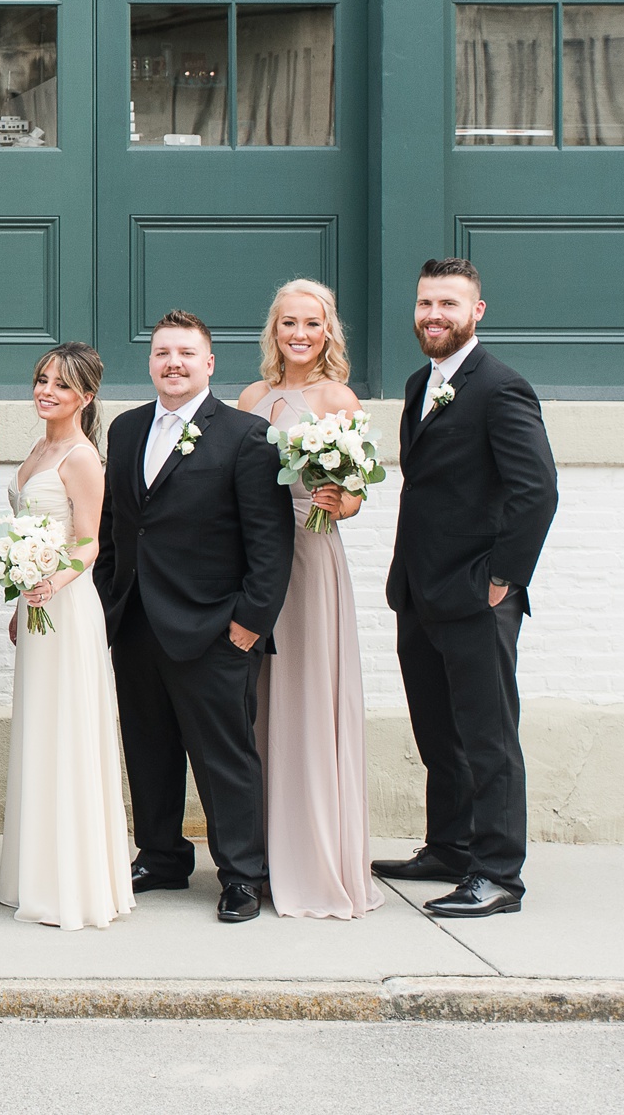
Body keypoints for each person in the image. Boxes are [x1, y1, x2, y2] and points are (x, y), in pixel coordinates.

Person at [375, 258, 559, 919]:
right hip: (420, 593)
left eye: (449, 303)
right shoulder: (419, 382)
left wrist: (503, 578)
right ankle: (450, 847)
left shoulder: (500, 386)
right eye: (426, 302)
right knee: (438, 734)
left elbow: (536, 488)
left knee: (488, 737)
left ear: (477, 310)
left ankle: (498, 872)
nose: (434, 314)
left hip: (476, 595)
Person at [99, 310, 295, 924]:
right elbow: (116, 530)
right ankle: (161, 856)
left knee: (224, 758)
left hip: (215, 629)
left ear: (209, 364)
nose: (173, 364)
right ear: (150, 362)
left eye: (186, 354)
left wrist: (248, 625)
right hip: (136, 624)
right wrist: (109, 606)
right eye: (162, 354)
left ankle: (242, 874)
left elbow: (270, 542)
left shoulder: (244, 435)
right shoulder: (127, 430)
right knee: (148, 749)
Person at [237, 281, 384, 921]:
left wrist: (338, 500)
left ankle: (315, 857)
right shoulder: (250, 399)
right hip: (254, 563)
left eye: (312, 324)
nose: (300, 333)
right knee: (262, 701)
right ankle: (264, 853)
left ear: (328, 333)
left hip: (309, 553)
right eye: (289, 322)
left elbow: (355, 494)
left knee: (308, 693)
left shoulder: (336, 398)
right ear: (274, 330)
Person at [0, 343, 131, 931]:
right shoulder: (36, 450)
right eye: (42, 380)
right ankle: (35, 872)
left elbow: (89, 542)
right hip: (35, 605)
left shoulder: (79, 457)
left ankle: (72, 882)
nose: (46, 391)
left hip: (68, 606)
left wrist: (51, 581)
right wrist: (21, 596)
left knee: (67, 729)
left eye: (60, 384)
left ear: (86, 395)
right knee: (39, 727)